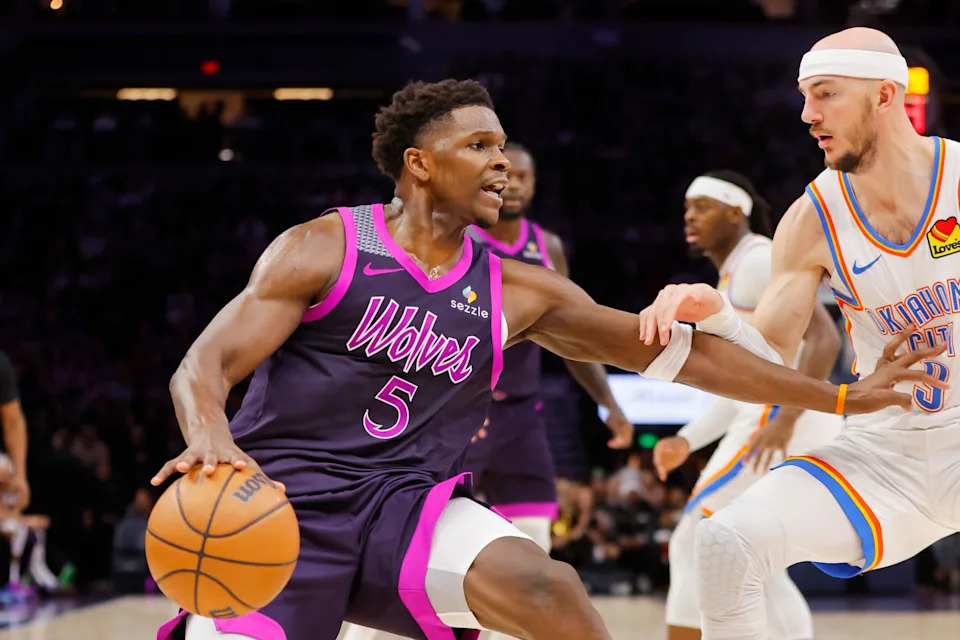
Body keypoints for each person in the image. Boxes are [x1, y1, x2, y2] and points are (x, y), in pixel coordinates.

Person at [151, 79, 922, 640]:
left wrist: (840, 398)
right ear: (419, 164)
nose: (502, 165)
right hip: (282, 502)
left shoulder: (521, 289)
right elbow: (203, 366)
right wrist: (210, 438)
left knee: (551, 591)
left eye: (503, 148)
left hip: (404, 506)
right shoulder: (324, 247)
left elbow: (690, 359)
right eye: (478, 147)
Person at [638, 28, 958, 640]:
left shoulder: (958, 176)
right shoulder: (812, 218)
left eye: (826, 93)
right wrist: (718, 316)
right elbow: (768, 360)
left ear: (885, 95)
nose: (808, 114)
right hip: (884, 453)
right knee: (723, 539)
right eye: (805, 96)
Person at [340, 142, 633, 640]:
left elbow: (574, 339)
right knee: (400, 534)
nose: (513, 183)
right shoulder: (457, 238)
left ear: (535, 185)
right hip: (454, 409)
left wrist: (610, 404)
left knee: (534, 544)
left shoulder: (548, 247)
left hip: (521, 415)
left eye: (524, 176)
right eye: (506, 174)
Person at [653, 171, 844, 640]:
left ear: (735, 212)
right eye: (686, 208)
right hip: (778, 413)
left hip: (783, 418)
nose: (689, 216)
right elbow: (741, 389)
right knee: (753, 556)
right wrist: (687, 439)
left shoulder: (758, 258)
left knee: (694, 538)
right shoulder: (735, 271)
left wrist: (786, 418)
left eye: (702, 206)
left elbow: (825, 338)